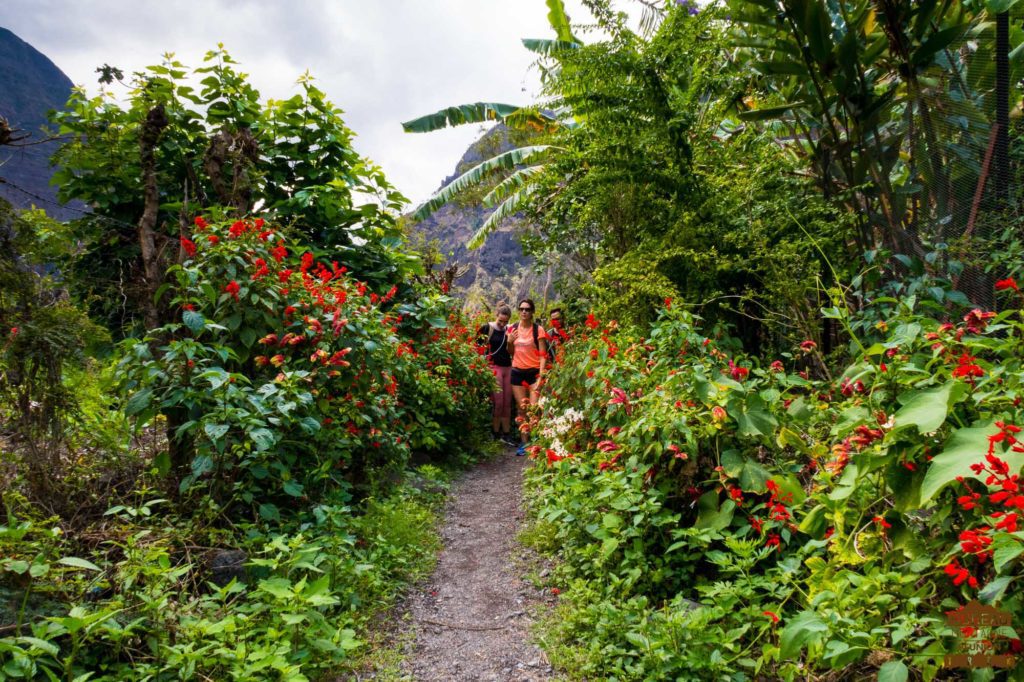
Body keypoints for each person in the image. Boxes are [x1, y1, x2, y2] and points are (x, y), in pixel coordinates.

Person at [508, 298, 548, 455]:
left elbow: (543, 355)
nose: (524, 311)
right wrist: (510, 341)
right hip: (517, 372)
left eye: (527, 309)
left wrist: (541, 376)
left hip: (534, 372)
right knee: (521, 409)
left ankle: (536, 442)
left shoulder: (538, 330)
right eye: (522, 309)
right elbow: (510, 352)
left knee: (534, 408)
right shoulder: (512, 329)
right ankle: (524, 443)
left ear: (532, 312)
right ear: (519, 310)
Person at [478, 304, 514, 444]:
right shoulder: (487, 328)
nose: (502, 324)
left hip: (507, 367)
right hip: (493, 367)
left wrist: (510, 339)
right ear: (496, 315)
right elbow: (477, 348)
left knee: (507, 402)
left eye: (505, 321)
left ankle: (506, 434)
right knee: (498, 402)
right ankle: (495, 433)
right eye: (500, 321)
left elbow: (512, 350)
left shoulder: (509, 330)